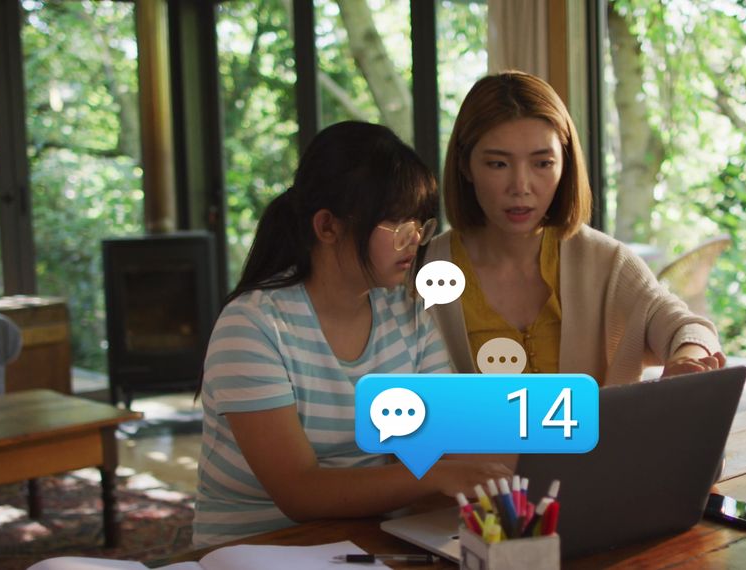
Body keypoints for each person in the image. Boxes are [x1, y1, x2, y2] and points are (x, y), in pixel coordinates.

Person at [193, 122, 512, 548]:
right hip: (258, 549)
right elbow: (300, 492)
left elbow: (445, 440)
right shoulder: (253, 325)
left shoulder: (409, 313)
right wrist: (435, 474)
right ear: (327, 227)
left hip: (371, 542)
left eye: (420, 222)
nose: (415, 240)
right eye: (397, 223)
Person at [427, 71, 726, 385]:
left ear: (565, 164)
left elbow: (685, 327)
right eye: (498, 164)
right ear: (465, 165)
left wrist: (687, 360)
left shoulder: (605, 262)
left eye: (542, 163)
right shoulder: (423, 272)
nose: (521, 186)